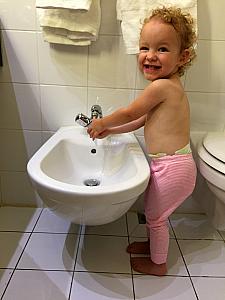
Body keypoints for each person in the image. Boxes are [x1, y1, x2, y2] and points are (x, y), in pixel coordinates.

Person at [87, 6, 197, 276]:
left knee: (156, 217)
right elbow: (142, 120)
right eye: (144, 47)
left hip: (173, 168)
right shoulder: (169, 86)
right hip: (172, 165)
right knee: (153, 212)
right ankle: (152, 244)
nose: (150, 55)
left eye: (162, 49)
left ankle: (158, 264)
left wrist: (103, 123)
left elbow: (130, 112)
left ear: (183, 57)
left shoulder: (161, 87)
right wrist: (113, 132)